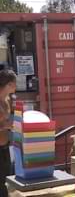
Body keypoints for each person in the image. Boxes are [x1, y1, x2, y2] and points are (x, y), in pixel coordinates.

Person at [0, 69, 16, 197]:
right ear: (9, 84)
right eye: (15, 82)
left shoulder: (7, 99)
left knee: (5, 181)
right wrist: (5, 126)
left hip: (5, 146)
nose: (17, 85)